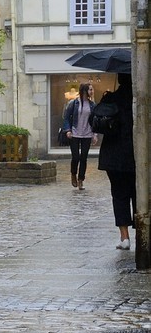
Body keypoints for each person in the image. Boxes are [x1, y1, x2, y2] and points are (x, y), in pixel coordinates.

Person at [96, 74, 135, 250]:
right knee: (139, 195)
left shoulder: (111, 98)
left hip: (114, 156)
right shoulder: (141, 98)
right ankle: (142, 231)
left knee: (119, 195)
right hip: (137, 154)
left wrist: (106, 99)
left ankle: (124, 237)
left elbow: (95, 121)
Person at [62, 82, 96, 191]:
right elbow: (66, 118)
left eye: (92, 89)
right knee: (76, 157)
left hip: (87, 134)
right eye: (90, 89)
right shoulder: (74, 103)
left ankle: (81, 179)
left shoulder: (92, 105)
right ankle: (73, 174)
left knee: (84, 158)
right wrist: (68, 130)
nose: (92, 91)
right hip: (75, 133)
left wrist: (94, 135)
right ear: (85, 91)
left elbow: (95, 121)